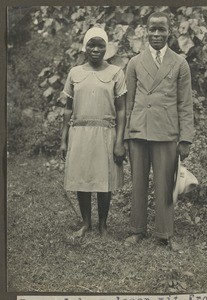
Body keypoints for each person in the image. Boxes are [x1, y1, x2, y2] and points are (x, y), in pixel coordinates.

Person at [124, 12, 194, 249]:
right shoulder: (134, 63)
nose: (156, 34)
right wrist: (125, 136)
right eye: (152, 29)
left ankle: (165, 234)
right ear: (145, 31)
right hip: (138, 131)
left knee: (165, 184)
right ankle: (137, 230)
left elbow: (185, 103)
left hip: (166, 132)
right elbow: (129, 102)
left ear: (169, 32)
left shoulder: (180, 63)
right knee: (138, 182)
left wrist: (185, 138)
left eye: (161, 30)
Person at [60, 27, 126, 238]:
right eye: (91, 44)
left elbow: (122, 109)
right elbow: (68, 108)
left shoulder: (116, 72)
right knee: (82, 177)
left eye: (100, 45)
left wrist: (119, 142)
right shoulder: (75, 73)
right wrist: (64, 138)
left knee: (103, 180)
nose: (95, 49)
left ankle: (103, 225)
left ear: (106, 48)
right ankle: (86, 223)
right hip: (79, 132)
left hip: (106, 132)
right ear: (84, 47)